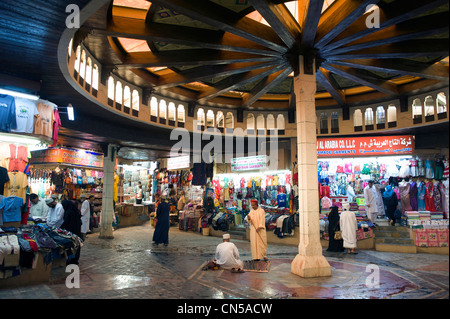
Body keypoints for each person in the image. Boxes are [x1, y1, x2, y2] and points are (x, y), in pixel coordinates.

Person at [60, 200, 82, 265]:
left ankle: (71, 260)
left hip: (70, 232)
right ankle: (75, 260)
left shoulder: (68, 212)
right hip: (77, 231)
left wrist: (60, 228)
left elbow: (66, 222)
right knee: (77, 246)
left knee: (70, 246)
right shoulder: (76, 211)